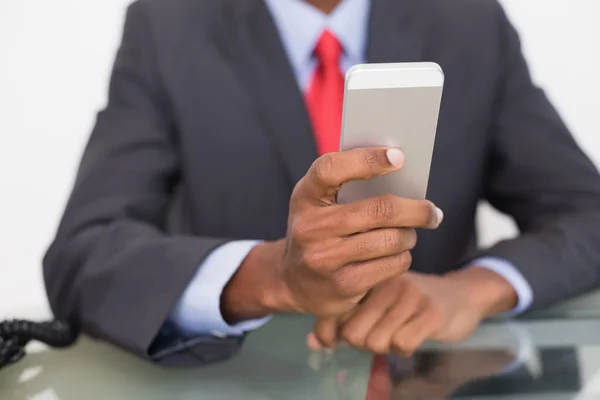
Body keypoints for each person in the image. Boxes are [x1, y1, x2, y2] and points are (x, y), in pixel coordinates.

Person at [43, 0, 600, 367]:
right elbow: (82, 253)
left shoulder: (468, 20)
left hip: (435, 377)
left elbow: (588, 213)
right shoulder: (169, 25)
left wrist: (477, 287)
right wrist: (266, 277)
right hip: (242, 383)